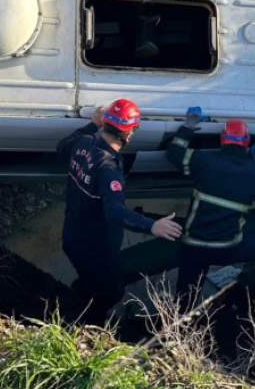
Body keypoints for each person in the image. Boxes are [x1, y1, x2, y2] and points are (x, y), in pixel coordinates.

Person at [57, 99, 183, 326]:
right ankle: (89, 324)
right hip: (96, 247)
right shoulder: (109, 168)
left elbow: (62, 146)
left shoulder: (83, 142)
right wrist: (152, 225)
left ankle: (77, 295)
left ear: (104, 124)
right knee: (110, 292)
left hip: (73, 235)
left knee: (90, 279)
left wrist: (90, 125)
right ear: (130, 133)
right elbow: (115, 211)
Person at [166, 106, 255, 309]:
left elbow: (174, 153)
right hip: (228, 249)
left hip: (194, 247)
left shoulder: (205, 162)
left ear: (222, 139)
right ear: (247, 143)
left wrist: (188, 126)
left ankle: (179, 329)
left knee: (185, 300)